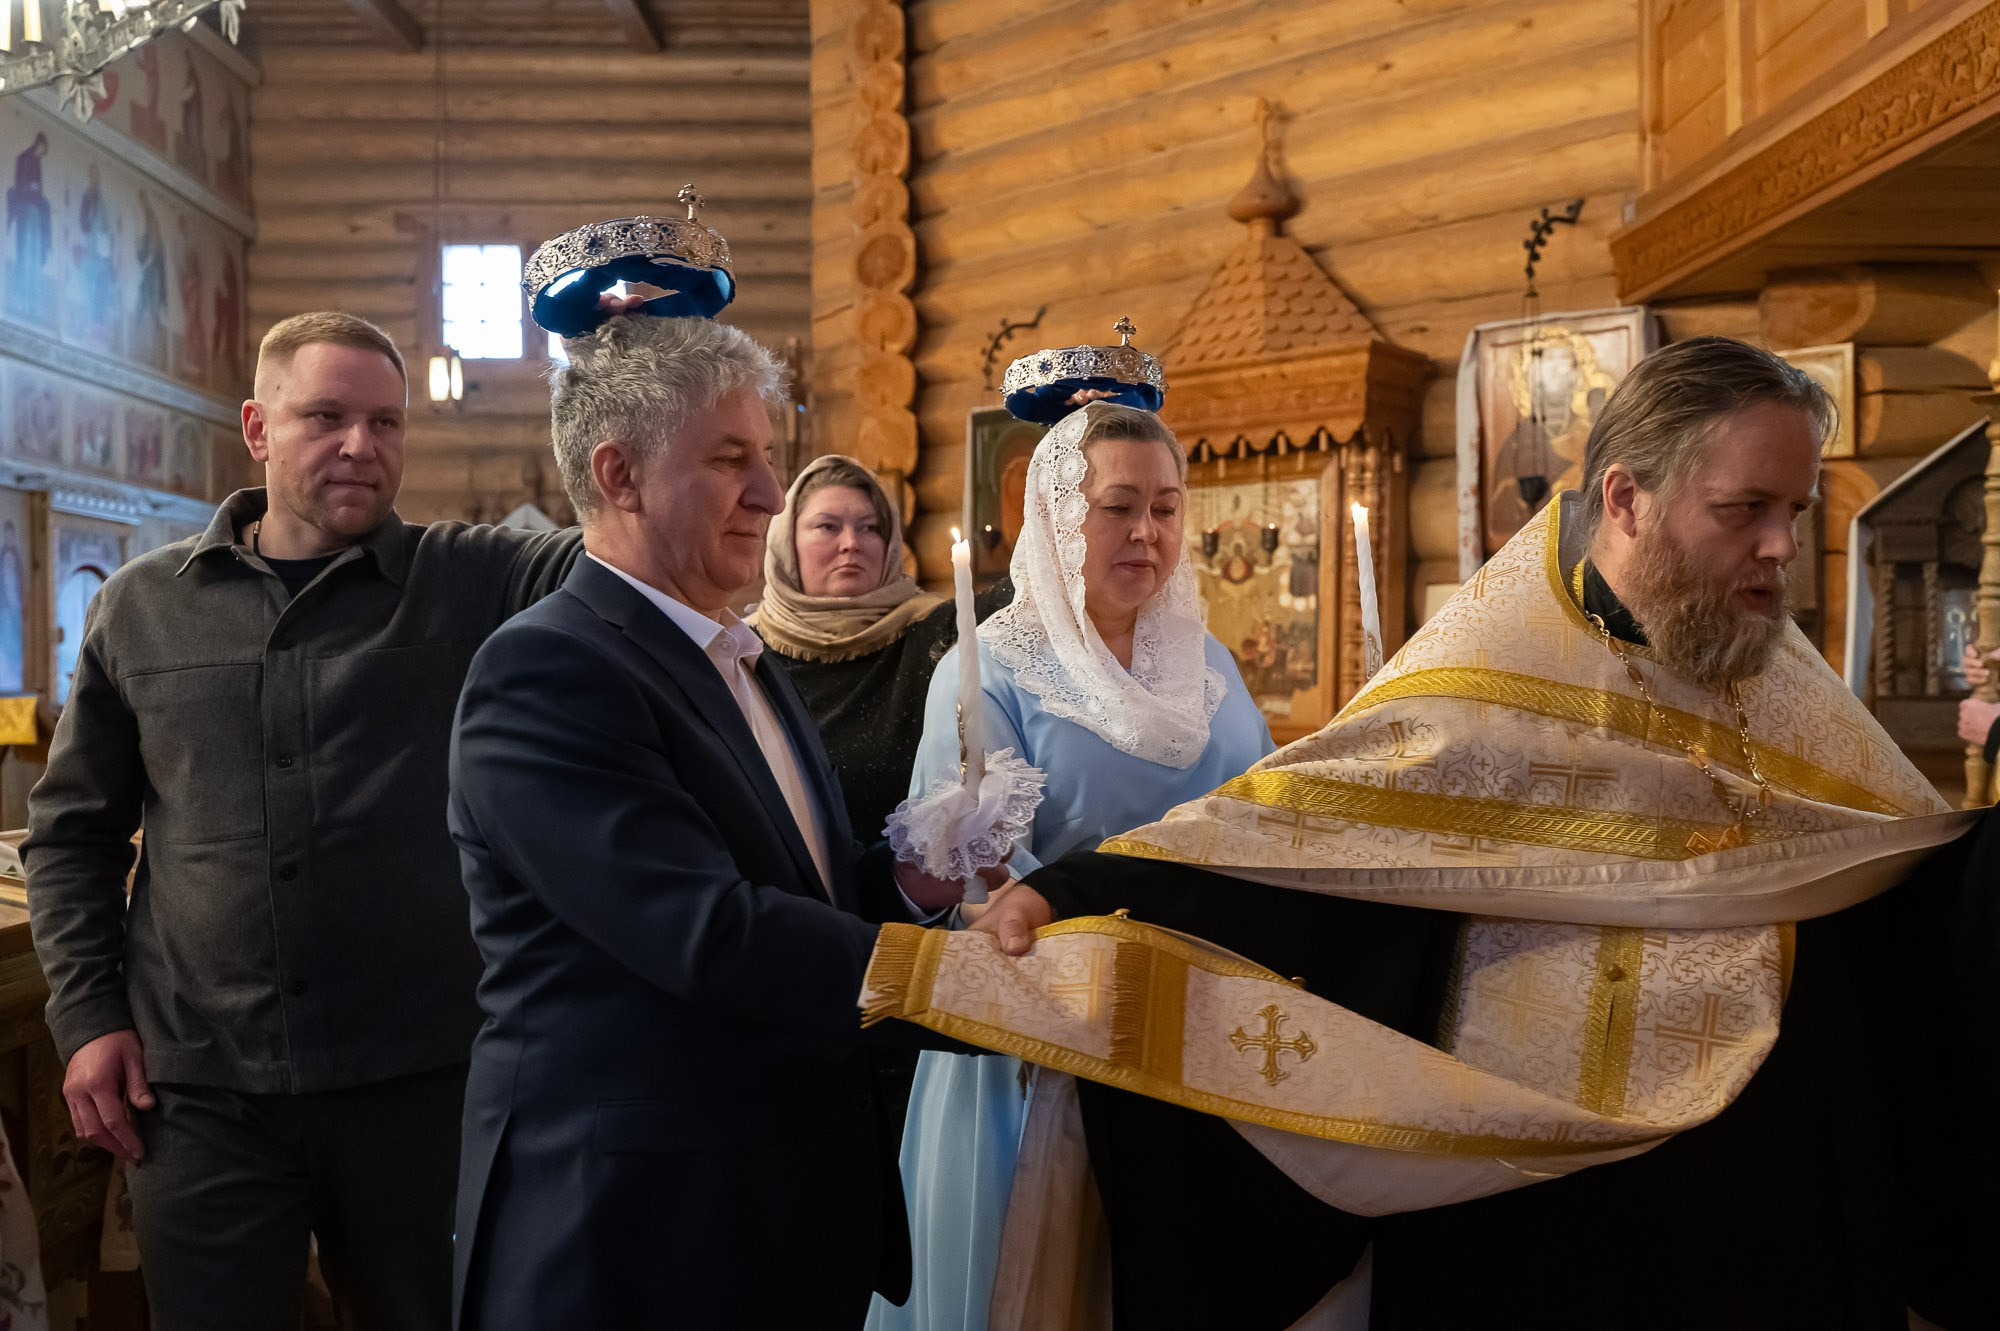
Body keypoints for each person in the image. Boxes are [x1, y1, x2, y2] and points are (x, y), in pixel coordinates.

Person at [885, 337, 1992, 1330]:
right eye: (1742, 509)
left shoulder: (1779, 674)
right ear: (1625, 498)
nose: (1776, 548)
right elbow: (1281, 832)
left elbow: (1903, 870)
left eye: (1793, 513)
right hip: (1528, 1206)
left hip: (1770, 1202)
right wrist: (1072, 890)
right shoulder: (1492, 673)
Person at [23, 311, 582, 1331]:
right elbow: (73, 834)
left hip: (419, 1077)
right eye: (324, 416)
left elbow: (623, 553)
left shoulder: (467, 576)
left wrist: (620, 359)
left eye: (385, 422)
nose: (361, 446)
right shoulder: (142, 606)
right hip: (200, 1086)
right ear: (256, 426)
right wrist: (88, 1016)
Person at [447, 314, 975, 1330]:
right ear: (619, 473)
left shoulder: (739, 654)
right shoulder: (547, 669)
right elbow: (703, 928)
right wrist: (964, 985)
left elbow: (797, 890)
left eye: (767, 458)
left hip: (771, 1209)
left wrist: (907, 882)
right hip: (640, 1232)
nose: (771, 495)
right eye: (731, 459)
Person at [870, 399, 1273, 1331]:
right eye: (1117, 506)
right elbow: (971, 881)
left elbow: (1256, 812)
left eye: (1166, 508)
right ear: (1057, 518)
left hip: (1201, 1014)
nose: (1146, 532)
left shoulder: (1208, 662)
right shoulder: (992, 670)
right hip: (1047, 1029)